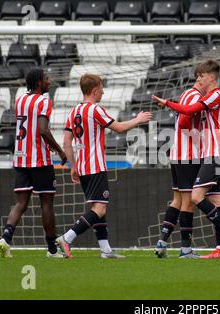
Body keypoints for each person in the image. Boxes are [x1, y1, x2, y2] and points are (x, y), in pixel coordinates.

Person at [152, 60, 220, 258]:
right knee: (212, 200)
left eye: (202, 75)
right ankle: (219, 248)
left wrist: (166, 102)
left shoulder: (211, 95)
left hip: (207, 154)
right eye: (198, 76)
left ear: (211, 77)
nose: (199, 78)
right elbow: (197, 119)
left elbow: (189, 115)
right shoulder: (202, 95)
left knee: (192, 198)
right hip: (198, 154)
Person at [56, 74, 151, 259]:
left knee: (98, 208)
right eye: (101, 88)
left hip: (82, 167)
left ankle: (105, 249)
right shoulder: (95, 110)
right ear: (94, 90)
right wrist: (138, 120)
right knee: (99, 209)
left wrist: (73, 166)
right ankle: (67, 238)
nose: (103, 91)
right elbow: (119, 128)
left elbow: (67, 142)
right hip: (95, 166)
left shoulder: (74, 111)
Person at [0, 68, 67, 258]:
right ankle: (52, 250)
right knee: (46, 203)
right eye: (46, 79)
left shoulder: (20, 100)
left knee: (20, 203)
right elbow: (43, 130)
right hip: (39, 160)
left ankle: (5, 237)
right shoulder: (44, 101)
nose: (49, 82)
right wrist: (60, 150)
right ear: (38, 82)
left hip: (20, 158)